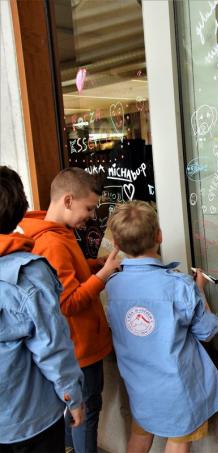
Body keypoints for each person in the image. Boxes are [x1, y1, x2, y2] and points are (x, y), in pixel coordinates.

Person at [105, 201, 218, 453]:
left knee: (140, 435)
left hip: (139, 387)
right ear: (159, 236)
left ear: (117, 244)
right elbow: (207, 331)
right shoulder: (179, 285)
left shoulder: (113, 284)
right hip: (177, 389)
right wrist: (199, 290)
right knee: (178, 440)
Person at [19, 167, 118, 453]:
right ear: (68, 200)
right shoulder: (52, 242)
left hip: (78, 346)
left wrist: (94, 266)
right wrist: (102, 277)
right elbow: (67, 303)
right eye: (88, 208)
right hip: (80, 349)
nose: (91, 215)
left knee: (77, 414)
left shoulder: (56, 232)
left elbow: (66, 277)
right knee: (85, 413)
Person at [0, 166, 84, 452]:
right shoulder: (29, 273)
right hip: (30, 418)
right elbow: (52, 346)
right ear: (19, 209)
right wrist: (72, 397)